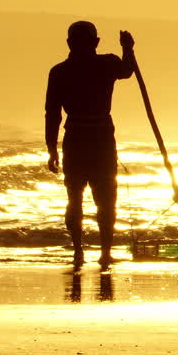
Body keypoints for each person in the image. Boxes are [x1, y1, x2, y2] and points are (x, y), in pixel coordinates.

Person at [45, 21, 135, 268]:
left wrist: (51, 148)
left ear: (69, 43)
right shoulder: (105, 64)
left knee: (77, 198)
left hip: (80, 138)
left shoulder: (62, 71)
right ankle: (101, 252)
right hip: (98, 138)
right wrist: (128, 48)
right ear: (95, 42)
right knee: (104, 199)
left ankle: (80, 252)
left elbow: (52, 114)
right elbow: (128, 69)